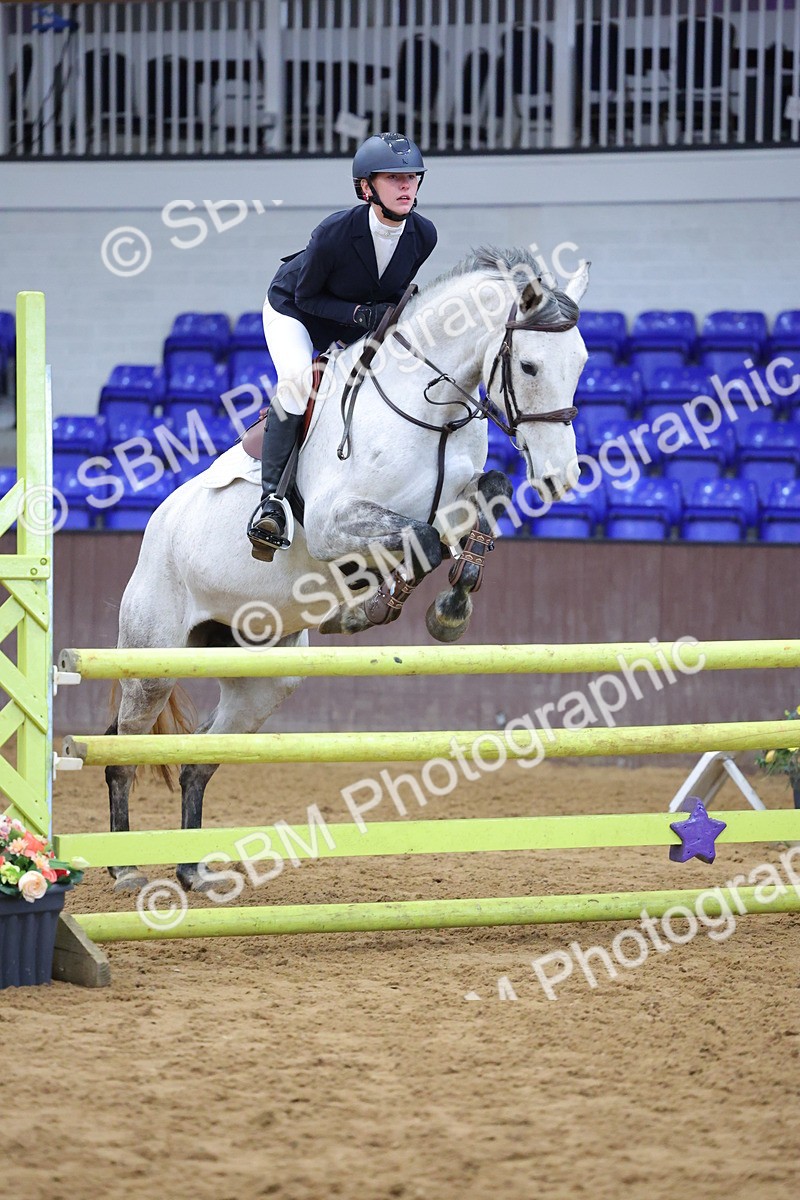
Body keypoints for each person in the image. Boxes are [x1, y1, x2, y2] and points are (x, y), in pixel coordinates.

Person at [247, 132, 438, 560]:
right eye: (394, 178)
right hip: (294, 311)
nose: (407, 187)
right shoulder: (334, 232)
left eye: (412, 178)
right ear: (366, 187)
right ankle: (272, 503)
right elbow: (307, 298)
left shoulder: (423, 235)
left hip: (354, 319)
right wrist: (358, 316)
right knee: (298, 384)